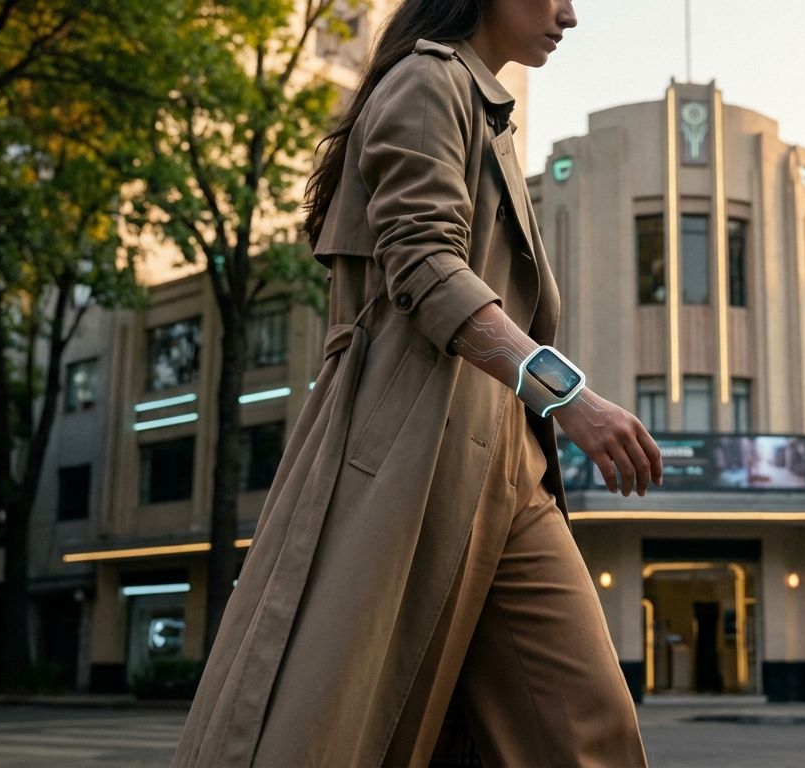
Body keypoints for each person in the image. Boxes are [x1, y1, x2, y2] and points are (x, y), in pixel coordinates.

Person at [171, 1, 663, 765]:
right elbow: (428, 267)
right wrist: (569, 396)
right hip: (414, 456)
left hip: (508, 470)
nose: (569, 13)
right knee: (345, 726)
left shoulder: (485, 113)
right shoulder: (427, 80)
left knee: (587, 724)